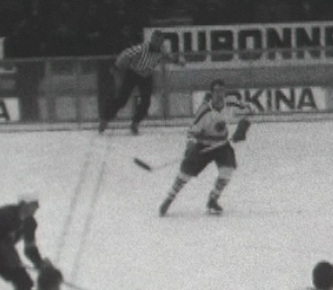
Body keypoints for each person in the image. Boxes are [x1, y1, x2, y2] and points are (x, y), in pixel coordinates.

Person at [159, 79, 252, 216]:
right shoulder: (204, 111)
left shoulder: (231, 104)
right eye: (216, 91)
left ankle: (213, 199)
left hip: (221, 144)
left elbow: (249, 110)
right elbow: (192, 133)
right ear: (211, 93)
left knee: (227, 170)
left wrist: (243, 127)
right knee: (185, 174)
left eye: (222, 91)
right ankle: (169, 198)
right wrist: (191, 148)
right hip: (204, 146)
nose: (220, 94)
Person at [98, 29, 181, 135]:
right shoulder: (142, 48)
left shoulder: (161, 50)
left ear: (161, 42)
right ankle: (105, 119)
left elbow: (167, 57)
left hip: (146, 76)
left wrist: (178, 62)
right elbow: (126, 54)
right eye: (155, 40)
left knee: (146, 102)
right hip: (133, 73)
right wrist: (116, 67)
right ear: (152, 39)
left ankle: (135, 123)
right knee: (122, 99)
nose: (157, 43)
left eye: (159, 41)